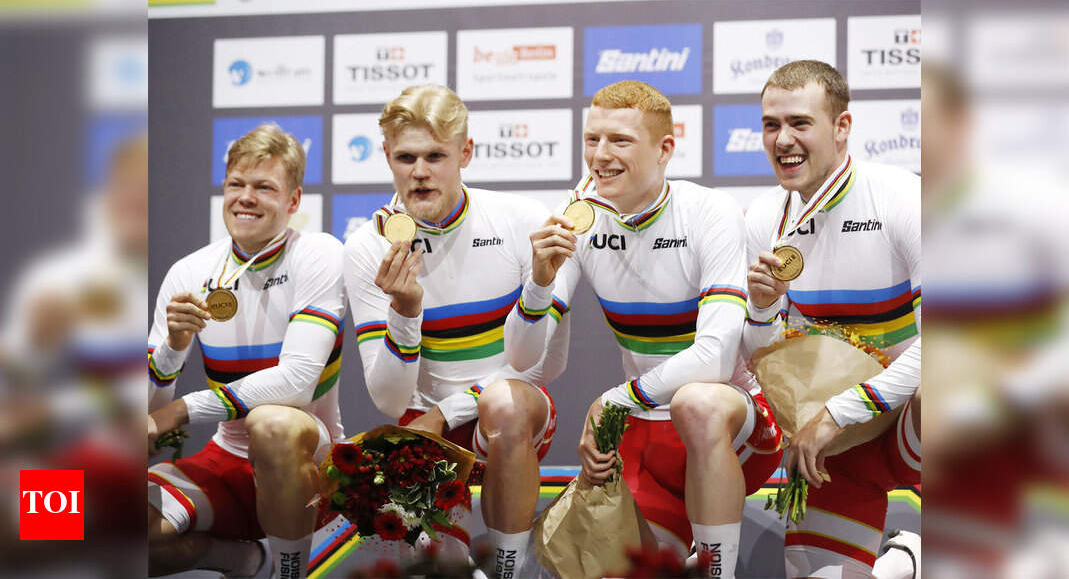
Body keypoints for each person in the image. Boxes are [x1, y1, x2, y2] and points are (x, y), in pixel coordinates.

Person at [504, 80, 782, 579]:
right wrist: (539, 282)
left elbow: (716, 360)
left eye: (619, 141)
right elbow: (524, 360)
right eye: (592, 139)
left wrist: (613, 400)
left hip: (732, 423)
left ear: (665, 149)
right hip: (645, 431)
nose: (599, 156)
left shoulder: (708, 212)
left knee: (696, 401)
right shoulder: (580, 213)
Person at [343, 84, 568, 578]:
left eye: (435, 156)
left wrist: (447, 411)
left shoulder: (523, 222)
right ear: (386, 156)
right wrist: (405, 310)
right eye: (405, 157)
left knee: (503, 404)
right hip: (420, 422)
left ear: (466, 152)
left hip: (509, 414)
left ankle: (511, 570)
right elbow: (387, 399)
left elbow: (539, 365)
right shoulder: (365, 246)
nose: (419, 172)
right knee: (449, 568)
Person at [742, 60, 921, 578]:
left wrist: (842, 411)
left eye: (800, 123)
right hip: (837, 449)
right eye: (771, 125)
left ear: (842, 127)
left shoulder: (901, 197)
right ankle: (905, 560)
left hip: (914, 424)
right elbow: (764, 361)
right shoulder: (763, 218)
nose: (783, 140)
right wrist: (760, 308)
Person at [146, 124, 346, 579]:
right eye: (236, 184)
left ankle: (290, 573)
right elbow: (149, 416)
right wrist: (173, 351)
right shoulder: (190, 270)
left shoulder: (317, 254)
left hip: (311, 462)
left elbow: (296, 382)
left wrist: (180, 409)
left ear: (294, 202)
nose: (246, 198)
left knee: (271, 421)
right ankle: (254, 563)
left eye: (264, 187)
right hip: (225, 459)